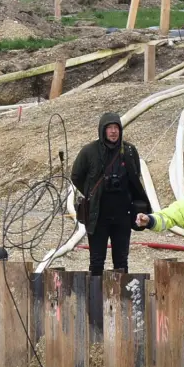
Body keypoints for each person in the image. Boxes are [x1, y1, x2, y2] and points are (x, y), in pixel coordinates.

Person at [70, 112, 150, 275]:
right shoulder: (89, 151)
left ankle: (121, 297)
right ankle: (96, 297)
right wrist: (91, 192)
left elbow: (135, 177)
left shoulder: (128, 150)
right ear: (102, 130)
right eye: (109, 128)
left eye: (116, 128)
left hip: (122, 215)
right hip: (98, 215)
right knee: (96, 261)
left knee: (121, 262)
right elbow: (76, 176)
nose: (113, 132)